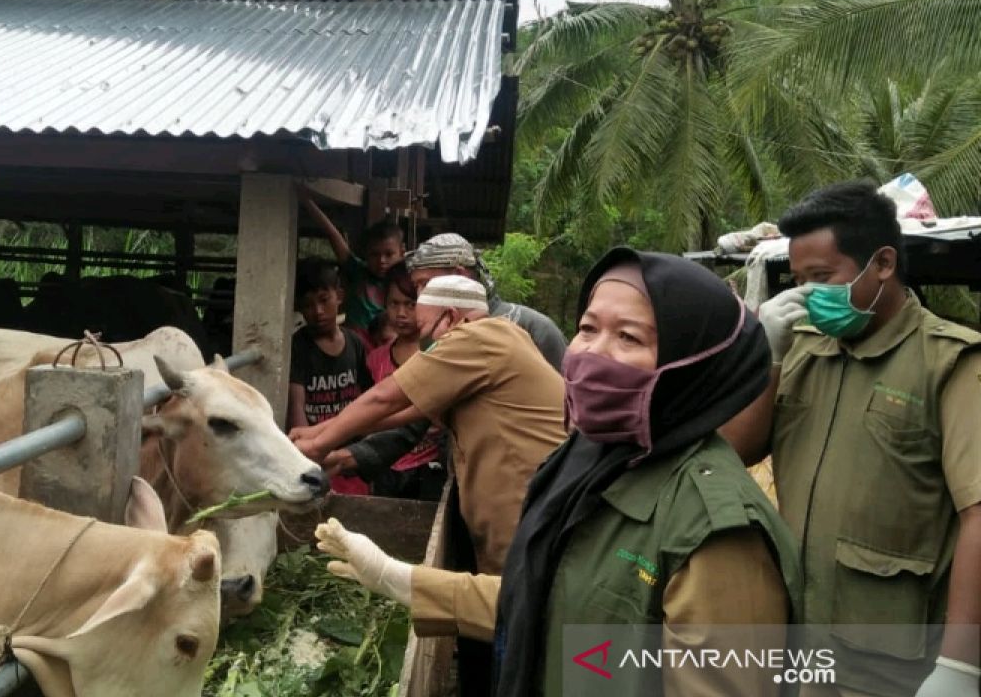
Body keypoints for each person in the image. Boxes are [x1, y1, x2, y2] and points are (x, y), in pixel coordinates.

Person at [315, 249, 800, 697]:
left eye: (628, 337)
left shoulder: (716, 532)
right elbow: (550, 601)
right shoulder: (588, 462)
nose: (591, 354)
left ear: (695, 364)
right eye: (587, 329)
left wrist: (318, 441)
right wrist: (397, 579)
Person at [729, 181, 981, 697]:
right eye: (798, 280)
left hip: (889, 659)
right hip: (797, 640)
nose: (807, 294)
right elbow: (738, 451)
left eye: (822, 277)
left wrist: (961, 664)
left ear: (883, 263)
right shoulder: (802, 349)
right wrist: (768, 358)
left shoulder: (949, 362)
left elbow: (979, 512)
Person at [292, 274, 566, 575]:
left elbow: (385, 398)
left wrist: (316, 446)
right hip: (527, 511)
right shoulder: (502, 340)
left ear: (450, 317)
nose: (425, 345)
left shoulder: (477, 338)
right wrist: (318, 431)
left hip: (523, 512)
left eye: (425, 331)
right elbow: (409, 411)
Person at [326, 263, 448, 501]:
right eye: (394, 304)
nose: (401, 313)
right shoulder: (376, 359)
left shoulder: (438, 354)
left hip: (430, 465)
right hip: (384, 467)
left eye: (410, 305)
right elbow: (370, 408)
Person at [404, 232, 567, 369]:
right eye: (416, 286)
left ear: (460, 275)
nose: (420, 296)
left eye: (426, 284)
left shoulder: (534, 328)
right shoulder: (433, 333)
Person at [287, 258, 373, 495]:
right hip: (316, 454)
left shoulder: (355, 343)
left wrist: (364, 450)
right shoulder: (298, 346)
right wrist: (306, 458)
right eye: (308, 305)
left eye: (324, 301)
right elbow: (297, 405)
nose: (318, 311)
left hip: (349, 452)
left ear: (340, 296)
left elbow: (367, 398)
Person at [299, 188, 405, 349]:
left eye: (389, 254)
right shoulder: (358, 272)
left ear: (402, 252)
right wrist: (308, 202)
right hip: (354, 353)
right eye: (375, 255)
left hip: (387, 356)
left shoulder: (406, 284)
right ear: (365, 255)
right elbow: (333, 236)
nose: (382, 261)